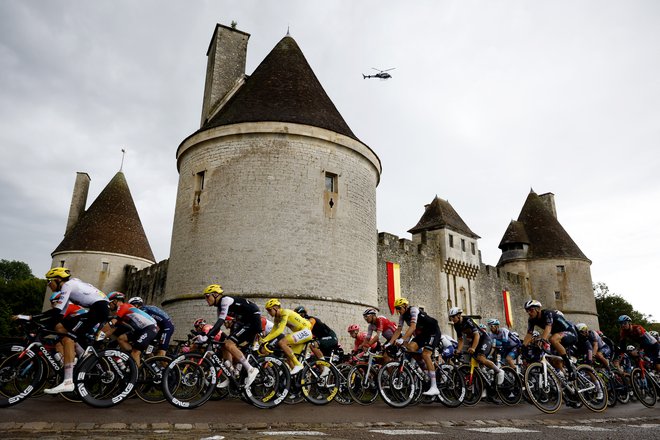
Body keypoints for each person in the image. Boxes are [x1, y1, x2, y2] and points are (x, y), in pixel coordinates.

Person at [43, 267, 110, 394]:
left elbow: (57, 312)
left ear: (57, 279)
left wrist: (33, 320)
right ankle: (82, 355)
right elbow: (61, 313)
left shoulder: (67, 285)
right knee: (64, 329)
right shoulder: (71, 285)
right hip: (96, 308)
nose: (48, 285)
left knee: (69, 337)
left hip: (98, 308)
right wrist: (32, 318)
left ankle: (68, 381)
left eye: (49, 281)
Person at [201, 284, 260, 387]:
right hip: (244, 321)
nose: (206, 299)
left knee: (229, 344)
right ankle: (231, 375)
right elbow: (218, 326)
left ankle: (251, 369)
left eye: (207, 296)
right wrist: (209, 336)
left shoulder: (225, 300)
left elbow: (220, 321)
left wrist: (207, 336)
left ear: (215, 294)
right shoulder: (219, 307)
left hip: (252, 320)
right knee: (224, 345)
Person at [387, 297, 443, 396]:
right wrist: (390, 343)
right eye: (396, 309)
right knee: (410, 348)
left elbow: (412, 327)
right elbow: (398, 330)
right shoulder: (402, 316)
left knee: (426, 354)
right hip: (422, 334)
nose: (398, 311)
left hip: (432, 331)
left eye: (399, 308)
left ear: (405, 306)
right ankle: (425, 369)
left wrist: (402, 339)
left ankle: (434, 387)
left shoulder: (413, 310)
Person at [521, 300, 578, 378]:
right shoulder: (531, 320)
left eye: (531, 310)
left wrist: (542, 339)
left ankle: (570, 368)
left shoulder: (547, 313)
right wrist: (523, 346)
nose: (529, 313)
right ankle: (565, 378)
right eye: (527, 311)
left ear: (538, 309)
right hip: (558, 336)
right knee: (554, 361)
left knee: (553, 339)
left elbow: (548, 328)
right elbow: (529, 334)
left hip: (569, 333)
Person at [449, 308, 504, 385]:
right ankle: (484, 386)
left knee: (481, 358)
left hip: (484, 339)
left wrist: (473, 348)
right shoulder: (456, 325)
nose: (452, 319)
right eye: (450, 317)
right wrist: (458, 350)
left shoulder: (467, 320)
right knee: (476, 365)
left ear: (458, 315)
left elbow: (477, 335)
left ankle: (499, 371)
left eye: (453, 317)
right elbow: (460, 339)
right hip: (475, 342)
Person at [105, 292, 158, 367]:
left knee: (135, 352)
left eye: (109, 303)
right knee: (121, 339)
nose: (109, 306)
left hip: (149, 328)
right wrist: (102, 336)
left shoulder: (123, 306)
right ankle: (132, 359)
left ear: (115, 301)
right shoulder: (121, 311)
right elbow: (113, 328)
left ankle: (136, 375)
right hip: (141, 330)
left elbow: (112, 323)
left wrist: (99, 333)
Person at [261, 299, 313, 375]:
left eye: (269, 310)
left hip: (306, 331)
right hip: (301, 333)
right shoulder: (277, 319)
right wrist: (264, 340)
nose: (268, 312)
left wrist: (265, 339)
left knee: (282, 342)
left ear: (275, 308)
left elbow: (279, 331)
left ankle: (298, 364)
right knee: (289, 358)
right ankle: (298, 378)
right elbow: (273, 332)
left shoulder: (285, 312)